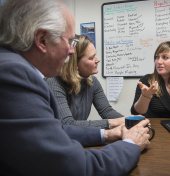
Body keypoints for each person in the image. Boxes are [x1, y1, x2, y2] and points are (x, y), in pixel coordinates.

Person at [0, 0, 150, 175]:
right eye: (70, 41)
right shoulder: (15, 74)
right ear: (42, 40)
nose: (71, 51)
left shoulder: (13, 67)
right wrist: (130, 144)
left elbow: (57, 130)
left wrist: (109, 134)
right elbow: (76, 168)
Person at [47, 35, 124, 129]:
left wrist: (131, 121)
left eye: (95, 55)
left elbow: (107, 111)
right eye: (91, 58)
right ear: (75, 64)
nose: (98, 60)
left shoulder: (92, 81)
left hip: (79, 139)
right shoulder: (54, 82)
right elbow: (68, 124)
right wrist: (111, 123)